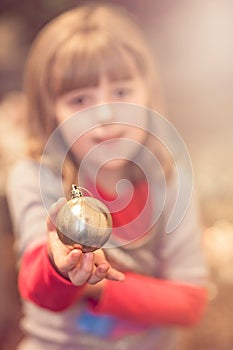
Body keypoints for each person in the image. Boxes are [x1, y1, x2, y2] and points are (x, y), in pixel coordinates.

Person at [7, 2, 208, 350]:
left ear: (148, 94)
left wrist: (96, 284)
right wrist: (60, 268)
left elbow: (190, 302)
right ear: (49, 112)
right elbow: (40, 291)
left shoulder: (171, 180)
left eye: (121, 92)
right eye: (80, 99)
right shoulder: (35, 176)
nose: (108, 114)